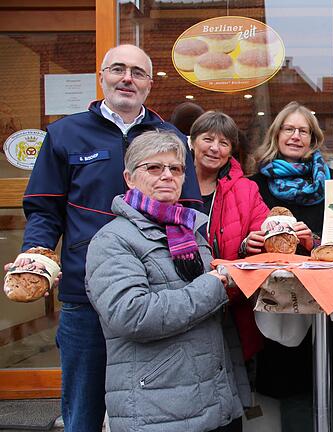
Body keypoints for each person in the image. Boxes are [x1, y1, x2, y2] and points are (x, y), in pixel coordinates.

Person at [7, 44, 201, 431]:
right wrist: (37, 254)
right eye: (117, 69)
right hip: (85, 294)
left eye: (137, 72)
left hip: (154, 294)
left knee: (158, 407)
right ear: (102, 77)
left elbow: (189, 207)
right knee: (83, 407)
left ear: (149, 84)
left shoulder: (171, 136)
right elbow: (45, 210)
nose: (126, 78)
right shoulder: (65, 133)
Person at [85, 131, 245, 432]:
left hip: (212, 401)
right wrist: (215, 284)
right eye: (154, 168)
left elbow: (206, 314)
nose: (166, 176)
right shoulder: (112, 240)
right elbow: (133, 315)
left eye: (175, 169)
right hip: (157, 410)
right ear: (130, 178)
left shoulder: (189, 232)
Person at [247, 101, 333, 431]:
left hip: (331, 308)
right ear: (277, 135)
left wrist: (313, 239)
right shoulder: (255, 185)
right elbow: (246, 242)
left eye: (303, 131)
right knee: (292, 390)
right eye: (289, 129)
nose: (295, 136)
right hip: (280, 307)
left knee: (331, 387)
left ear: (313, 140)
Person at [190, 110, 270, 400]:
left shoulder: (246, 189)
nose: (215, 148)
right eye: (207, 139)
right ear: (192, 142)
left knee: (229, 396)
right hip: (181, 303)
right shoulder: (171, 182)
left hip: (229, 305)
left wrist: (249, 244)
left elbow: (264, 235)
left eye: (224, 143)